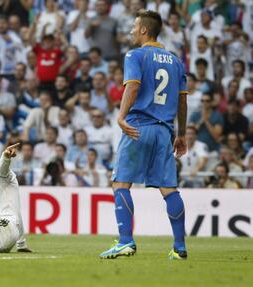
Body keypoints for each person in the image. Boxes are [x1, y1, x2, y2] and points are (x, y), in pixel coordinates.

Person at [100, 10, 188, 260]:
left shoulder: (134, 55)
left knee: (120, 183)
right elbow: (182, 102)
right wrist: (180, 134)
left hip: (138, 126)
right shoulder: (176, 61)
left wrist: (120, 115)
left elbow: (134, 85)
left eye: (134, 26)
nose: (130, 30)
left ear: (143, 30)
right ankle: (179, 247)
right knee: (169, 189)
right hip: (164, 131)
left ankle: (126, 241)